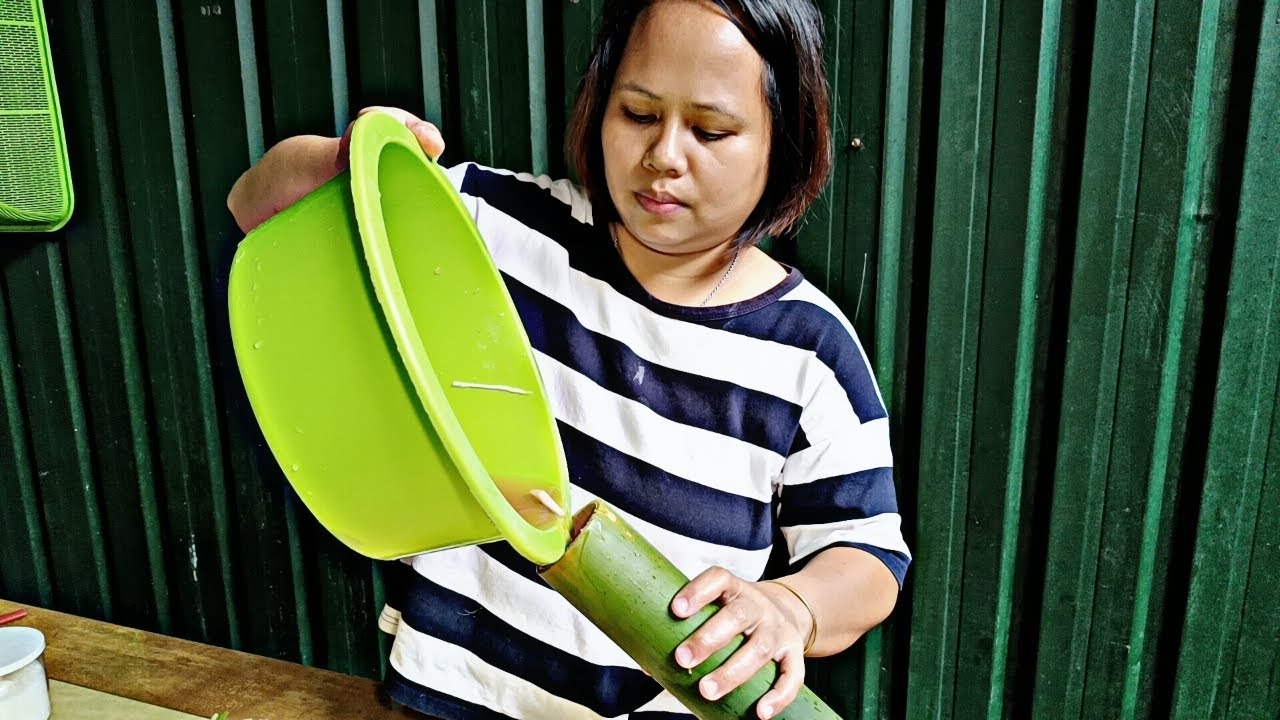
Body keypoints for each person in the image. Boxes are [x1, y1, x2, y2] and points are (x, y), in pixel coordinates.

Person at [227, 1, 910, 718]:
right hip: (450, 696)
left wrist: (792, 608)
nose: (664, 156)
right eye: (638, 114)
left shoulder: (808, 354)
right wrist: (345, 160)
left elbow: (868, 559)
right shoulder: (494, 229)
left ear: (785, 142)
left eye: (711, 130)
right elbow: (255, 204)